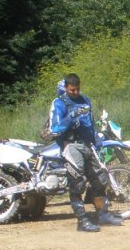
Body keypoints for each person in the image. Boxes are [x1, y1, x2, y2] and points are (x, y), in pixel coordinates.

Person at [49, 73, 123, 232]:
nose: (75, 92)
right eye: (72, 90)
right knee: (77, 183)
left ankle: (103, 214)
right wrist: (71, 117)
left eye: (77, 89)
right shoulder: (59, 103)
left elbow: (91, 124)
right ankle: (82, 221)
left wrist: (97, 142)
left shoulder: (85, 100)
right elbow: (54, 129)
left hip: (88, 145)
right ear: (66, 88)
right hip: (71, 145)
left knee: (100, 180)